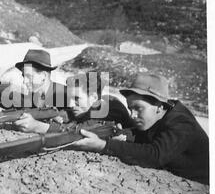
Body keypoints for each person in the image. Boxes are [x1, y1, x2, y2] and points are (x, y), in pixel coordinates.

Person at [72, 73, 209, 185]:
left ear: (159, 106)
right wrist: (124, 134)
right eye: (130, 109)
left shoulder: (182, 123)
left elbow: (155, 155)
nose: (132, 115)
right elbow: (144, 134)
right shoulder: (159, 115)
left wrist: (104, 146)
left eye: (138, 108)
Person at [42, 71, 133, 133]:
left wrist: (43, 126)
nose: (71, 104)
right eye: (71, 98)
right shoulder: (84, 108)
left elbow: (77, 131)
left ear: (93, 97)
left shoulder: (109, 113)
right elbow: (67, 114)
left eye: (76, 98)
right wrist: (53, 116)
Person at [11, 49, 69, 134]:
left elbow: (75, 129)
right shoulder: (30, 98)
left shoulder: (65, 96)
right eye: (23, 76)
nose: (24, 81)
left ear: (44, 76)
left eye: (29, 76)